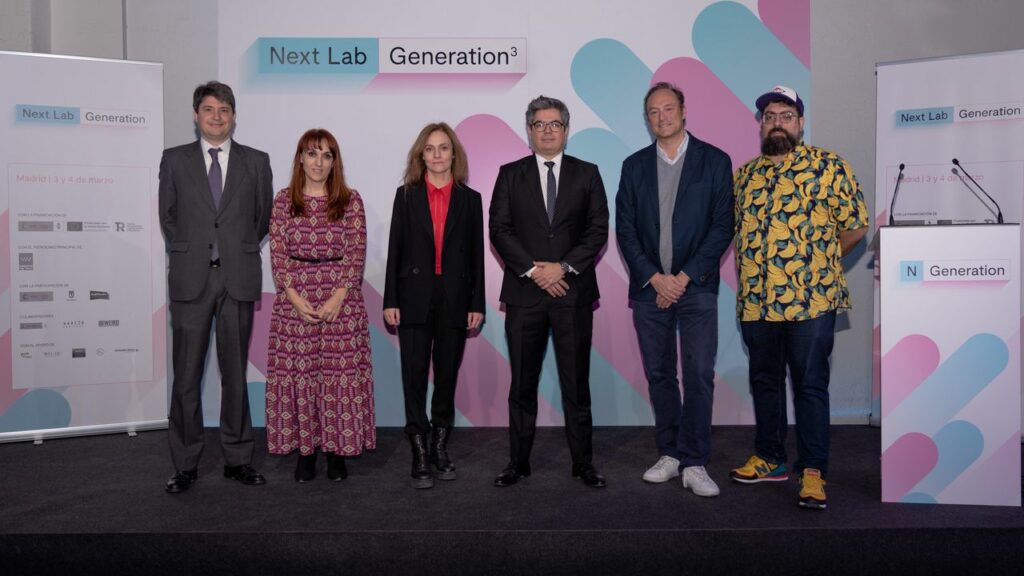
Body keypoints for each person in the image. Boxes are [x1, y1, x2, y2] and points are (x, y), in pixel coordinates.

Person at [730, 85, 869, 509]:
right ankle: (770, 458)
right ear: (761, 124)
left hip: (811, 302)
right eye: (770, 116)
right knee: (765, 382)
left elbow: (855, 227)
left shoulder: (829, 166)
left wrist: (818, 262)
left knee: (810, 385)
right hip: (757, 302)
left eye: (786, 115)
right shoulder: (745, 176)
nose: (777, 123)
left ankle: (813, 470)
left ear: (801, 123)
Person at [615, 82, 734, 497]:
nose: (661, 117)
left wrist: (682, 278)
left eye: (668, 109)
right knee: (660, 373)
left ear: (683, 111)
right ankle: (669, 452)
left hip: (695, 287)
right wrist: (655, 277)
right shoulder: (633, 166)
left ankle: (695, 460)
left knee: (699, 373)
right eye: (653, 111)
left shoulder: (715, 161)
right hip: (650, 289)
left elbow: (723, 226)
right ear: (646, 118)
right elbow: (625, 229)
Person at [489, 95, 609, 488]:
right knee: (522, 385)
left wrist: (564, 267)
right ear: (529, 131)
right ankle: (517, 463)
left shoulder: (588, 173)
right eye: (539, 124)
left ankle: (583, 463)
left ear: (566, 130)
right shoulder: (510, 174)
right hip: (525, 295)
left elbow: (597, 229)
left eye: (554, 124)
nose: (546, 131)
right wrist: (534, 271)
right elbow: (499, 229)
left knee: (576, 383)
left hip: (572, 293)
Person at [159, 81, 272, 494]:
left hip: (237, 278)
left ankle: (238, 459)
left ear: (234, 116)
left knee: (235, 374)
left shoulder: (256, 161)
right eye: (209, 109)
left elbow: (261, 219)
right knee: (186, 376)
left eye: (224, 109)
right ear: (196, 115)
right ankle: (185, 463)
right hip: (191, 280)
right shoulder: (174, 160)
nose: (217, 116)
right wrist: (197, 252)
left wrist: (232, 251)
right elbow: (169, 218)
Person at [264, 128, 376, 483]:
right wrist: (294, 298)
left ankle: (336, 451)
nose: (319, 162)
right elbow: (278, 254)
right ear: (300, 158)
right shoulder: (283, 201)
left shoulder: (350, 201)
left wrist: (339, 295)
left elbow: (356, 251)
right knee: (301, 378)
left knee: (337, 379)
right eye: (312, 153)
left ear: (334, 162)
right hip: (294, 303)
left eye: (327, 155)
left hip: (341, 303)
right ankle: (306, 452)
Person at [383, 122, 485, 489]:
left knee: (446, 376)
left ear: (453, 154)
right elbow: (395, 249)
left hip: (455, 298)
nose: (437, 154)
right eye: (430, 149)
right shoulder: (405, 196)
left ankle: (440, 447)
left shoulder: (470, 199)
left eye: (443, 147)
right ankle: (419, 450)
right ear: (421, 156)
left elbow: (476, 256)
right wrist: (390, 299)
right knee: (413, 376)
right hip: (413, 296)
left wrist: (477, 303)